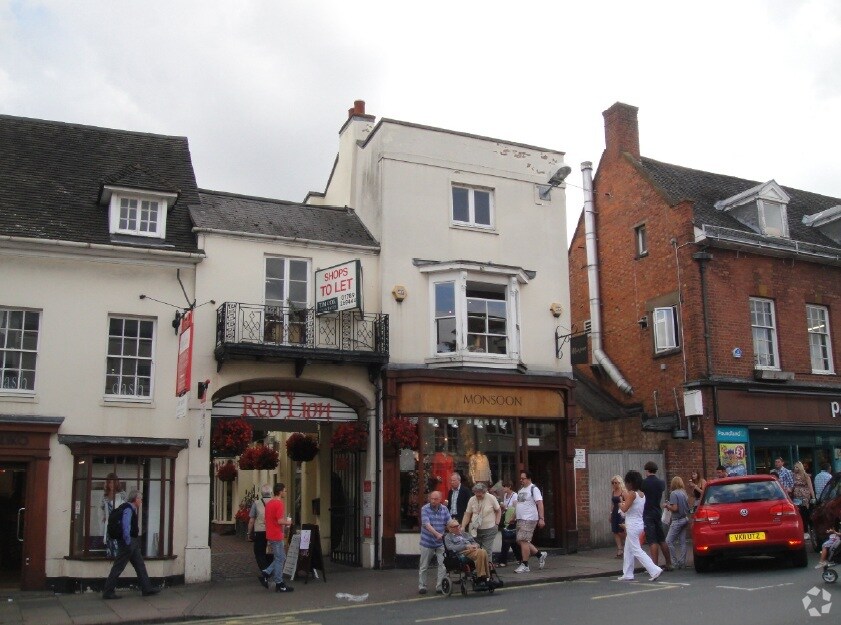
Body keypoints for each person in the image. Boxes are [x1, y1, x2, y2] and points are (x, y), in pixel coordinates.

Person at [102, 489, 161, 599]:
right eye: (140, 499)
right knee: (118, 567)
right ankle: (108, 591)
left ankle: (147, 588)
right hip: (128, 542)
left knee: (140, 565)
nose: (141, 501)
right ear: (136, 499)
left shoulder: (128, 508)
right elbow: (126, 525)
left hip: (132, 542)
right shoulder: (128, 509)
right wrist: (128, 541)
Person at [618, 470, 663, 581]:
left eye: (626, 482)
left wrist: (619, 503)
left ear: (630, 483)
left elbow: (624, 509)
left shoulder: (632, 494)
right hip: (638, 524)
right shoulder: (641, 494)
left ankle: (654, 569)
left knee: (636, 550)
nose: (626, 485)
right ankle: (628, 573)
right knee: (628, 550)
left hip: (632, 526)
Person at [259, 483, 294, 593]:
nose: (285, 492)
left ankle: (266, 573)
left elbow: (265, 520)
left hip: (270, 533)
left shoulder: (269, 503)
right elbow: (279, 521)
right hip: (276, 534)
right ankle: (279, 582)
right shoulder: (279, 504)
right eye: (285, 490)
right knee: (280, 559)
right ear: (280, 491)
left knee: (280, 557)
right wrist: (288, 522)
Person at [444, 519, 494, 589]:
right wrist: (465, 546)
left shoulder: (465, 534)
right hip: (462, 552)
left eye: (458, 525)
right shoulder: (448, 537)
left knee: (483, 551)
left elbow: (474, 542)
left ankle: (483, 578)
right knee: (481, 552)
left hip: (473, 550)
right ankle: (483, 577)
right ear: (450, 528)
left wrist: (475, 545)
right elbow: (450, 547)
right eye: (455, 526)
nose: (458, 527)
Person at [514, 470, 548, 573]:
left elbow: (540, 503)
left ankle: (525, 565)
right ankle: (539, 555)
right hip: (520, 518)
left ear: (529, 478)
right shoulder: (521, 490)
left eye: (523, 478)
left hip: (529, 518)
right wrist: (513, 516)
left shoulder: (534, 489)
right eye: (520, 479)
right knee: (520, 541)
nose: (521, 480)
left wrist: (541, 518)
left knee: (523, 540)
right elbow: (519, 504)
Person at [640, 461, 672, 571]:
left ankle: (654, 566)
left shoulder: (643, 483)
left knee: (652, 541)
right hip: (657, 511)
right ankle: (669, 563)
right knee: (662, 539)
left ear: (646, 470)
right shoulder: (661, 483)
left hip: (647, 512)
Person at [418, 490, 450, 595]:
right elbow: (426, 524)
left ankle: (439, 586)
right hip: (427, 542)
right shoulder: (425, 509)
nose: (433, 501)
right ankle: (422, 586)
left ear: (440, 499)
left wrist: (456, 529)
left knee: (442, 565)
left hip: (440, 543)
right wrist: (437, 534)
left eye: (435, 499)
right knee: (424, 566)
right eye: (431, 499)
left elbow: (449, 522)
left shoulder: (444, 509)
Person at [461, 482, 501, 557]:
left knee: (486, 551)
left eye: (480, 494)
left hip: (489, 528)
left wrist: (497, 523)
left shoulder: (491, 498)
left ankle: (487, 564)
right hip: (475, 530)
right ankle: (480, 564)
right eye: (476, 494)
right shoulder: (472, 499)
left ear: (485, 492)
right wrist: (463, 526)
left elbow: (498, 510)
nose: (478, 496)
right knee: (476, 550)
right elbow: (467, 514)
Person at [664, 476, 691, 569]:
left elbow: (675, 508)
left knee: (668, 541)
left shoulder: (673, 493)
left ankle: (674, 562)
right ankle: (682, 562)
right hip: (685, 518)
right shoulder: (684, 493)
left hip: (677, 520)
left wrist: (667, 506)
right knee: (683, 542)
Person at [247, 484, 274, 572]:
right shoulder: (275, 502)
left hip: (260, 531)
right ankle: (269, 569)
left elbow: (251, 520)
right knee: (270, 551)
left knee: (259, 552)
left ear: (261, 493)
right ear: (271, 492)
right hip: (272, 531)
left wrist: (249, 533)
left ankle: (265, 570)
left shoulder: (256, 503)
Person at [100, 473, 127, 558]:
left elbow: (126, 508)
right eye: (110, 482)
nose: (111, 484)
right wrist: (104, 516)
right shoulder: (105, 496)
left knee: (117, 546)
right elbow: (103, 508)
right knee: (110, 545)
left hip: (119, 524)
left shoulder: (122, 494)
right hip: (109, 524)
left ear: (117, 483)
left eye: (113, 482)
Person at [792, 461, 816, 537]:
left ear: (800, 468)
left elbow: (810, 487)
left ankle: (807, 530)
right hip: (796, 496)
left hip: (804, 496)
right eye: (794, 467)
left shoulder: (806, 476)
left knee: (804, 512)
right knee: (799, 513)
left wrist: (813, 497)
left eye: (797, 467)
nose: (795, 468)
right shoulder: (793, 476)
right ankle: (802, 529)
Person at [497, 481, 518, 567]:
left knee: (506, 540)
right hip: (506, 520)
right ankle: (519, 558)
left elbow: (515, 508)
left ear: (509, 487)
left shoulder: (515, 495)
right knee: (512, 541)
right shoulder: (505, 495)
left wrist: (513, 517)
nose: (503, 488)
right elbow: (506, 508)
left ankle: (503, 561)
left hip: (512, 520)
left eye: (504, 487)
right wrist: (503, 507)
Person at [610, 475, 626, 558]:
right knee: (615, 531)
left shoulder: (624, 492)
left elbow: (627, 503)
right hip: (615, 512)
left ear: (620, 483)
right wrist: (610, 514)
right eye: (613, 483)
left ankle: (628, 544)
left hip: (621, 513)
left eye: (616, 483)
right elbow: (613, 504)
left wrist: (622, 502)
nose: (614, 484)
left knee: (621, 531)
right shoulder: (613, 492)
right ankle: (620, 550)